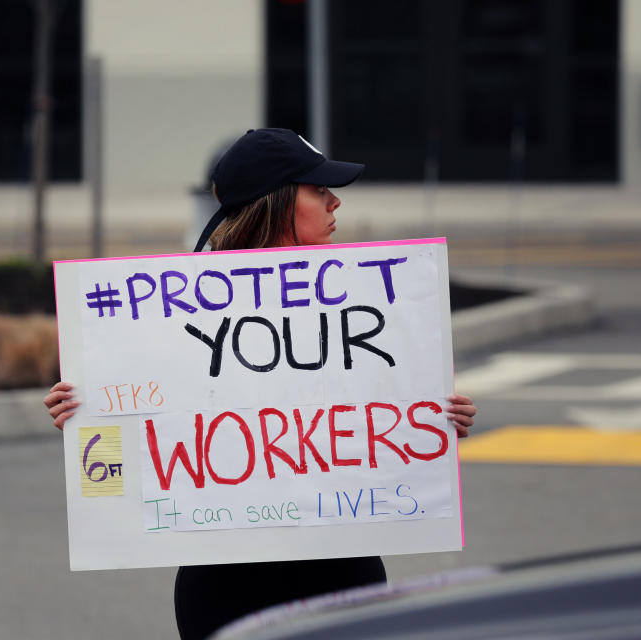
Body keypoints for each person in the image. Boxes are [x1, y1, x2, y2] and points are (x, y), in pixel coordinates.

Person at [44, 128, 477, 640]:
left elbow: (382, 418)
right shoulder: (171, 312)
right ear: (276, 202)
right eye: (318, 190)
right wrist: (85, 413)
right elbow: (130, 442)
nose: (335, 201)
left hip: (343, 568)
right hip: (226, 583)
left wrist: (439, 417)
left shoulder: (364, 298)